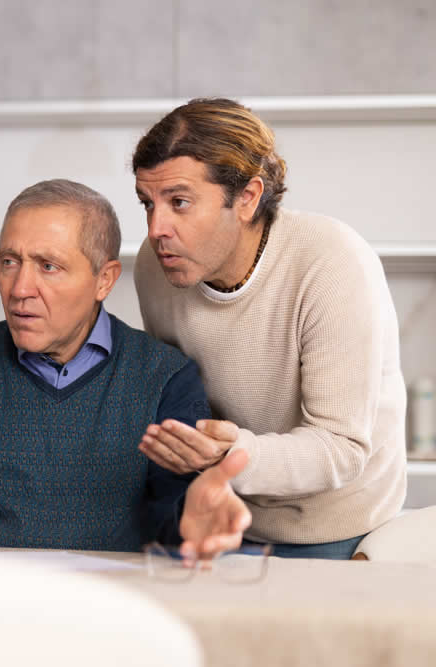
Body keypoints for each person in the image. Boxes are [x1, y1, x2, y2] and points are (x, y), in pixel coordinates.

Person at [0, 179, 250, 554]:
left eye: (48, 266)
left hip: (110, 607)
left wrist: (190, 521)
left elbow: (177, 508)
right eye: (10, 262)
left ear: (104, 280)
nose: (20, 289)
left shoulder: (165, 379)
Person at [132, 98, 406, 560]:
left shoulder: (332, 262)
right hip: (223, 511)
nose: (157, 227)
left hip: (341, 523)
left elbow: (341, 447)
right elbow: (181, 399)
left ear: (247, 197)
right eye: (147, 203)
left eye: (179, 202)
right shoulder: (154, 268)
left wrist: (229, 456)